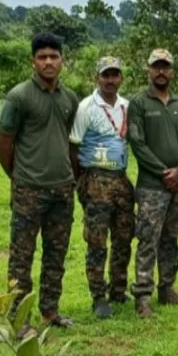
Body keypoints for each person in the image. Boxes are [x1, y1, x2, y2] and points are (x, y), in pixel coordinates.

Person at [0, 32, 80, 331]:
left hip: (62, 189)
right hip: (29, 190)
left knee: (56, 255)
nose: (48, 62)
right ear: (33, 62)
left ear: (62, 61)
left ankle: (50, 311)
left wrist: (71, 178)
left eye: (53, 57)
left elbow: (70, 141)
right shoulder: (19, 97)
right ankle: (19, 320)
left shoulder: (70, 98)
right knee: (22, 258)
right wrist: (19, 176)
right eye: (42, 57)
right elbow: (4, 144)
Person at [127, 49, 178, 318]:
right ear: (149, 70)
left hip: (177, 186)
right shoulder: (139, 103)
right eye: (156, 66)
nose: (161, 71)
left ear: (172, 71)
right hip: (151, 187)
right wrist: (163, 171)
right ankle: (143, 296)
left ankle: (167, 288)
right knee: (147, 240)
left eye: (165, 67)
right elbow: (137, 143)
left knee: (171, 238)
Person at [69, 56, 134, 319]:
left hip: (120, 179)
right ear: (97, 78)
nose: (110, 80)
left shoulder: (127, 106)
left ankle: (118, 289)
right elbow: (74, 146)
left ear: (121, 78)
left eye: (115, 75)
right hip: (95, 179)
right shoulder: (86, 107)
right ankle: (98, 297)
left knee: (124, 237)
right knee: (97, 241)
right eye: (105, 75)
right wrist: (81, 182)